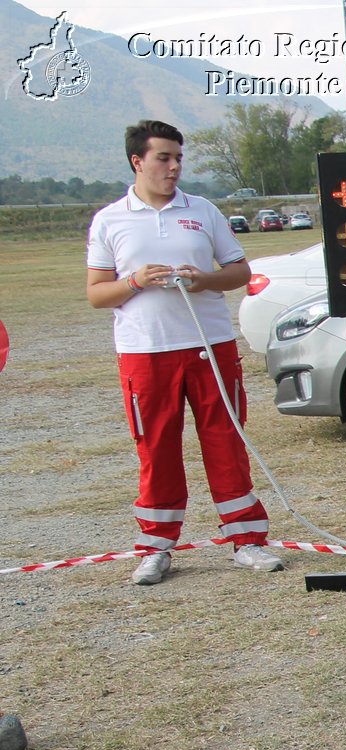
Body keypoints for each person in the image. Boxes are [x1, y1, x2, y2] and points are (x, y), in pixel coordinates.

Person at [86, 119, 283, 585]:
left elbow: (239, 272)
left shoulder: (203, 211)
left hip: (208, 346)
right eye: (164, 158)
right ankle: (156, 548)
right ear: (138, 161)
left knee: (225, 440)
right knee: (156, 447)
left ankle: (248, 540)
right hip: (145, 352)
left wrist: (204, 279)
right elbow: (97, 294)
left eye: (178, 158)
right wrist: (134, 281)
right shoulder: (110, 220)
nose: (174, 168)